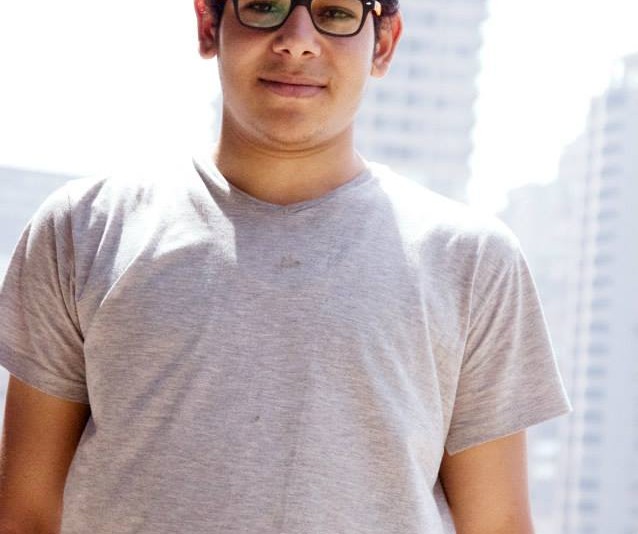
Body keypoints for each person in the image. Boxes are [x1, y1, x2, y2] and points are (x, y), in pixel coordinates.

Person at [0, 0, 571, 532]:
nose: (297, 41)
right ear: (208, 25)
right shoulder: (85, 227)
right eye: (264, 6)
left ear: (384, 44)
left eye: (335, 13)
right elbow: (25, 513)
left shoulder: (471, 260)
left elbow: (497, 524)